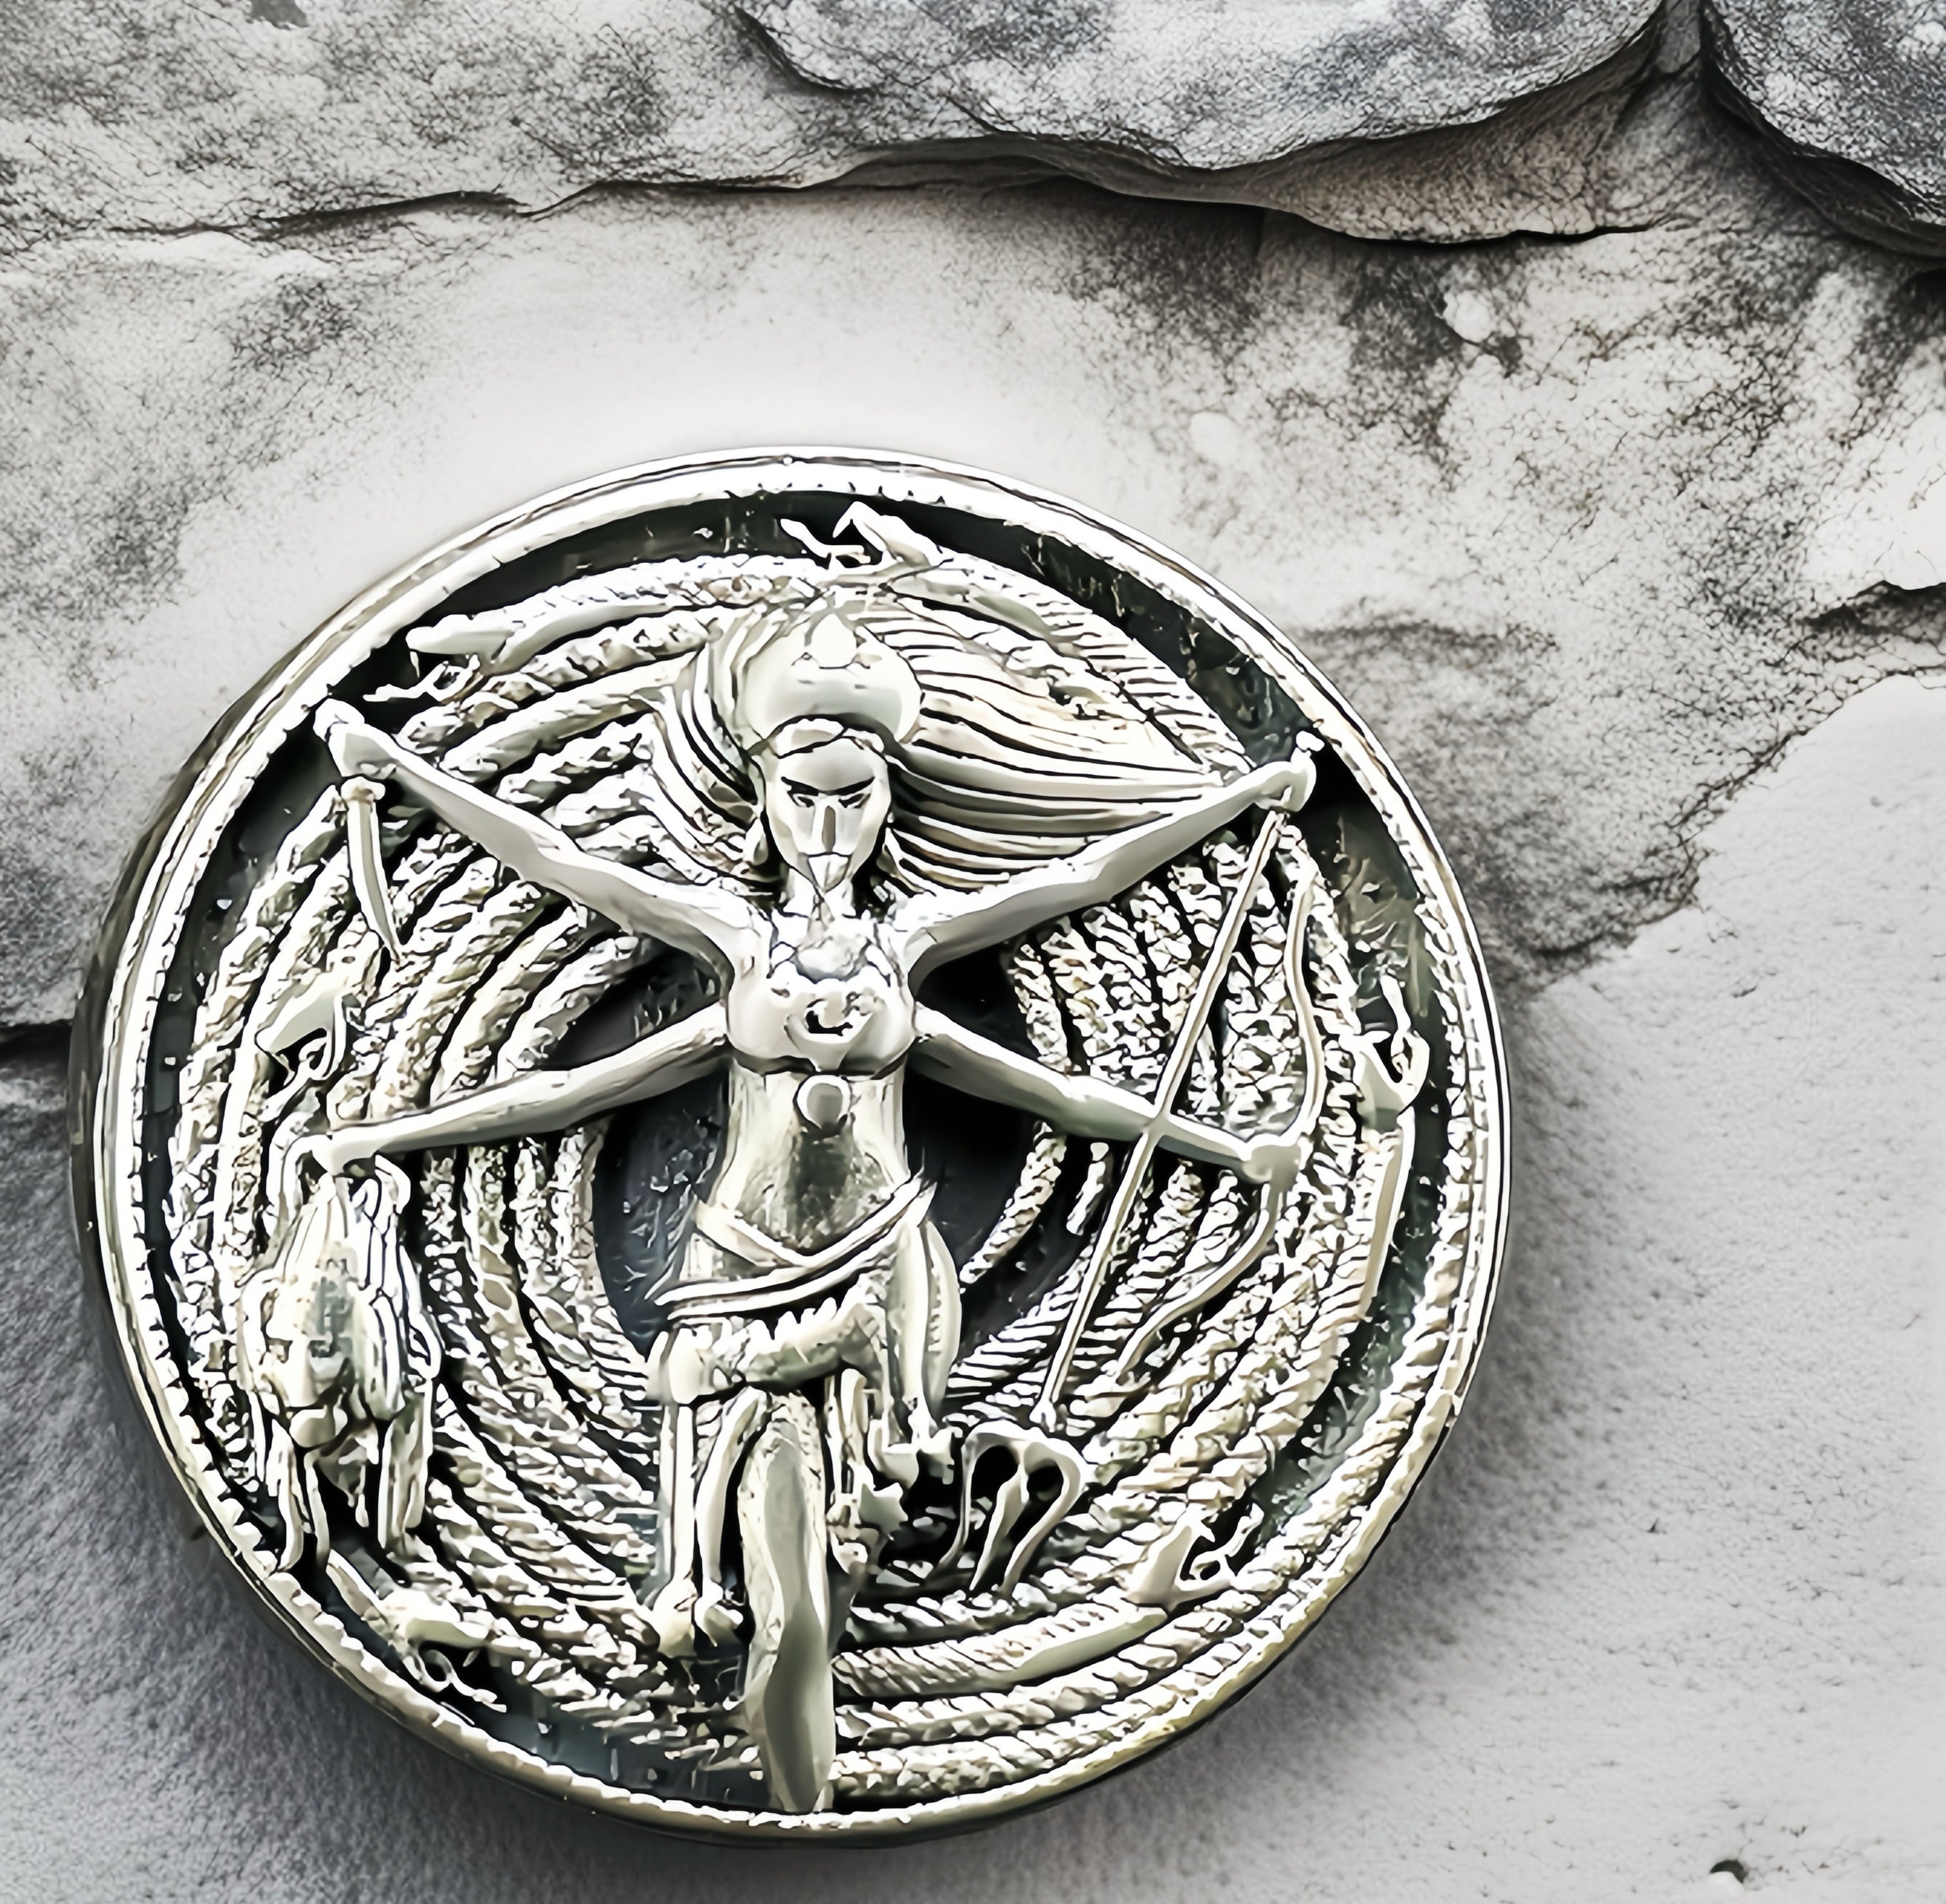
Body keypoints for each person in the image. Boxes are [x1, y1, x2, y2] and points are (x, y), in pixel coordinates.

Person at [296, 600, 1313, 1811]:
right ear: (762, 797)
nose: (828, 825)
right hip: (738, 1272)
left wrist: (1239, 811)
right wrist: (402, 774)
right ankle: (791, 1769)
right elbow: (563, 924)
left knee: (836, 1568)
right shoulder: (733, 938)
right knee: (778, 1587)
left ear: (888, 802)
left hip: (886, 1273)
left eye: (855, 797)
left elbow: (1077, 939)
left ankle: (801, 1778)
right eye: (802, 796)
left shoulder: (911, 944)